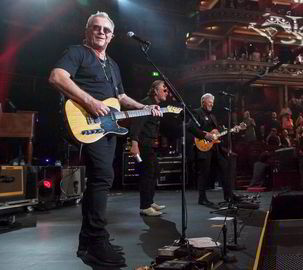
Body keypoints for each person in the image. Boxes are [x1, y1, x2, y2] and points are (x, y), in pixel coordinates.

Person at [49, 12, 162, 267]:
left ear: (111, 36)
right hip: (88, 121)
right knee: (101, 178)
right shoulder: (77, 52)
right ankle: (96, 240)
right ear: (87, 31)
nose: (101, 32)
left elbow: (120, 97)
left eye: (106, 30)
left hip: (109, 126)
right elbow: (57, 77)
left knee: (103, 179)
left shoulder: (112, 65)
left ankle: (90, 241)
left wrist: (147, 107)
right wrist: (89, 101)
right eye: (96, 28)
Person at [188, 93, 237, 207]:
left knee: (225, 168)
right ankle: (202, 198)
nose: (211, 104)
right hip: (203, 146)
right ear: (203, 102)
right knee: (204, 173)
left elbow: (218, 132)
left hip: (215, 147)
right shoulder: (197, 112)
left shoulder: (213, 116)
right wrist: (205, 136)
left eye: (212, 103)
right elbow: (190, 127)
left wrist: (232, 130)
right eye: (209, 102)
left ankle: (229, 195)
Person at [130, 80, 170, 216]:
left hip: (150, 145)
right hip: (143, 144)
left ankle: (150, 201)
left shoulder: (156, 106)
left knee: (155, 171)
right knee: (147, 174)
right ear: (155, 91)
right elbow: (136, 125)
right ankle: (145, 206)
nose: (167, 92)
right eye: (163, 89)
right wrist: (134, 144)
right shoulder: (146, 104)